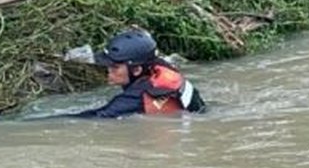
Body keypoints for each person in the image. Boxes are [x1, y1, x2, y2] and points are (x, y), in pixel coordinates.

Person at [65, 29, 206, 118]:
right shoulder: (160, 66)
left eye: (115, 67)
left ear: (137, 70)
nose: (108, 70)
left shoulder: (136, 97)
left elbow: (98, 117)